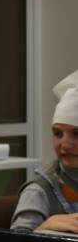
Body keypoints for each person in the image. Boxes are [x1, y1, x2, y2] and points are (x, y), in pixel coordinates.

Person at [11, 82, 78, 233]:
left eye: (76, 134)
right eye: (58, 134)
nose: (65, 145)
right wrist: (45, 227)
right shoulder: (38, 191)